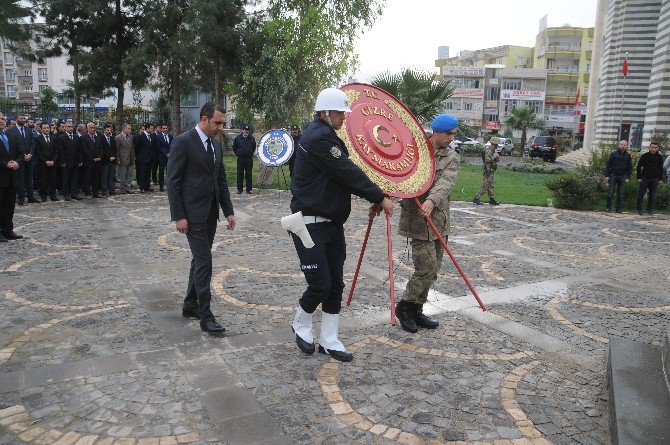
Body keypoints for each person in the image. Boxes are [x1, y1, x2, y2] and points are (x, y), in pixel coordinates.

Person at [289, 87, 394, 362]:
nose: (343, 118)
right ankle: (300, 322)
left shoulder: (326, 137)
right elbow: (347, 172)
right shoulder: (320, 138)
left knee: (335, 284)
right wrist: (379, 196)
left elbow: (342, 176)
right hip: (309, 224)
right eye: (339, 113)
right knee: (320, 283)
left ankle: (329, 339)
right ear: (325, 112)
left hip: (332, 224)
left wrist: (371, 192)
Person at [167, 102, 236, 336]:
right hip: (192, 215)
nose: (220, 128)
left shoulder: (216, 146)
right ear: (204, 119)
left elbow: (221, 181)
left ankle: (189, 305)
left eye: (223, 124)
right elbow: (173, 182)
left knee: (199, 260)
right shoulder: (183, 142)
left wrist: (228, 211)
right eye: (217, 123)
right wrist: (178, 216)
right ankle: (206, 316)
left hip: (209, 214)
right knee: (205, 262)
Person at [395, 114, 461, 334]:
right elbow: (398, 174)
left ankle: (416, 309)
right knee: (426, 268)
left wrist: (432, 200)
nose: (452, 138)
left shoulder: (451, 157)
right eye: (448, 133)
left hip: (439, 220)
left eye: (454, 133)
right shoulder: (415, 152)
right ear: (436, 132)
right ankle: (404, 306)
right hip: (417, 220)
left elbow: (446, 182)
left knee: (433, 271)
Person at [0, 112, 24, 242]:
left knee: (9, 206)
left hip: (11, 178)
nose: (1, 121)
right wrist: (5, 164)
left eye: (3, 118)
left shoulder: (11, 135)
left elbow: (20, 153)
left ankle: (7, 230)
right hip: (1, 175)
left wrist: (17, 163)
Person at [8, 113, 37, 205]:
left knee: (29, 179)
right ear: (17, 119)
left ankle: (31, 197)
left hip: (29, 159)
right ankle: (21, 198)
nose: (23, 119)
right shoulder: (11, 131)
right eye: (21, 118)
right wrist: (23, 155)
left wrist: (30, 154)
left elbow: (33, 143)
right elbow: (12, 145)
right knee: (20, 179)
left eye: (25, 118)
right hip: (19, 159)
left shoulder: (28, 130)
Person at [635, 141, 664, 216]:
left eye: (655, 148)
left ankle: (649, 210)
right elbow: (639, 167)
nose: (653, 149)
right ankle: (638, 209)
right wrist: (639, 177)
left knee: (652, 195)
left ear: (658, 148)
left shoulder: (660, 157)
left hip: (655, 179)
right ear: (649, 148)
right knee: (641, 194)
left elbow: (661, 168)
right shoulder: (644, 156)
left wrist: (660, 179)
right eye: (652, 147)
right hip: (645, 178)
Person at [605, 140, 632, 213]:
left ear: (627, 146)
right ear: (619, 145)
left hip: (623, 176)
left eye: (625, 145)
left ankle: (618, 209)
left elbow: (629, 167)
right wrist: (607, 175)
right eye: (622, 145)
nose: (623, 146)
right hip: (613, 175)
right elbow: (608, 165)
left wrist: (628, 177)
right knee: (611, 192)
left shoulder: (628, 155)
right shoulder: (613, 154)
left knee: (621, 193)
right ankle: (608, 208)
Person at [35, 122, 60, 202]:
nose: (46, 129)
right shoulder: (38, 138)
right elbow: (38, 152)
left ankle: (53, 196)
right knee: (43, 180)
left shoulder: (54, 138)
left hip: (53, 163)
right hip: (43, 164)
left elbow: (57, 151)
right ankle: (44, 196)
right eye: (44, 128)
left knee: (53, 180)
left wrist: (53, 161)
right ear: (41, 129)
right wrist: (46, 161)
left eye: (47, 128)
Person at [57, 121, 81, 201]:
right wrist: (63, 162)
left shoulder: (76, 137)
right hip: (66, 162)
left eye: (71, 127)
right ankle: (66, 193)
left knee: (75, 178)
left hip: (75, 161)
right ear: (65, 128)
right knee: (66, 178)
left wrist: (80, 160)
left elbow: (79, 150)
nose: (71, 128)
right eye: (69, 127)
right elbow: (61, 151)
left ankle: (74, 193)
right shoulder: (61, 137)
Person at [473, 136, 500, 205]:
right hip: (487, 170)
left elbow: (496, 160)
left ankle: (491, 199)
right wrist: (494, 156)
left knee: (491, 185)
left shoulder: (493, 150)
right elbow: (487, 160)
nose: (498, 145)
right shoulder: (488, 150)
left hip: (491, 170)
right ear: (495, 144)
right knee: (484, 185)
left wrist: (497, 157)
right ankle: (476, 198)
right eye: (497, 144)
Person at [79, 122, 102, 199]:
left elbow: (101, 148)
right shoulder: (83, 138)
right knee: (87, 178)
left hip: (97, 162)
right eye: (91, 127)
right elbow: (85, 150)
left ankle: (95, 193)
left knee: (96, 178)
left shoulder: (98, 137)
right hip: (88, 162)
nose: (93, 129)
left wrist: (99, 157)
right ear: (87, 128)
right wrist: (93, 158)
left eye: (94, 127)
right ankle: (87, 193)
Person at [232, 125, 255, 194]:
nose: (246, 131)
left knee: (249, 174)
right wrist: (239, 153)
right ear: (242, 130)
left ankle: (249, 189)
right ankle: (240, 189)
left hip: (249, 159)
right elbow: (234, 148)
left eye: (247, 130)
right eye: (245, 130)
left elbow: (253, 147)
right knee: (240, 174)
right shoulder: (237, 138)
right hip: (241, 159)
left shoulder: (252, 138)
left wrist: (249, 153)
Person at [134, 123, 155, 193]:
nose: (152, 130)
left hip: (150, 158)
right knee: (142, 173)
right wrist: (138, 156)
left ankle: (147, 187)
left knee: (148, 173)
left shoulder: (152, 136)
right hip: (142, 158)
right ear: (147, 128)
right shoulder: (141, 136)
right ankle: (142, 187)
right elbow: (137, 147)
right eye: (151, 128)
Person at [115, 123, 135, 194]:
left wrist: (133, 156)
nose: (130, 130)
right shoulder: (118, 137)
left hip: (130, 158)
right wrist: (118, 159)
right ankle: (122, 188)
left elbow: (132, 148)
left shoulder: (130, 137)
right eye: (129, 128)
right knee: (123, 174)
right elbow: (117, 149)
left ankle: (128, 188)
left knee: (129, 174)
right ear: (124, 129)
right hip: (123, 159)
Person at [100, 123, 118, 197]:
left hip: (112, 161)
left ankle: (111, 189)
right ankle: (104, 190)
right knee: (104, 176)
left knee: (111, 176)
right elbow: (102, 150)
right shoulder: (101, 138)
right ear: (104, 130)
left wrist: (114, 156)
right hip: (105, 161)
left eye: (110, 130)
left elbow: (115, 149)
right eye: (107, 130)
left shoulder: (112, 138)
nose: (109, 131)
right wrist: (108, 157)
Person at [155, 124, 172, 191]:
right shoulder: (158, 137)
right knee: (161, 172)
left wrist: (170, 153)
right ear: (161, 129)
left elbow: (172, 145)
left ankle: (169, 184)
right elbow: (159, 147)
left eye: (166, 128)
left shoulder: (170, 136)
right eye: (163, 128)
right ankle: (161, 186)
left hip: (170, 157)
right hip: (162, 157)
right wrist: (165, 154)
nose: (165, 130)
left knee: (169, 171)